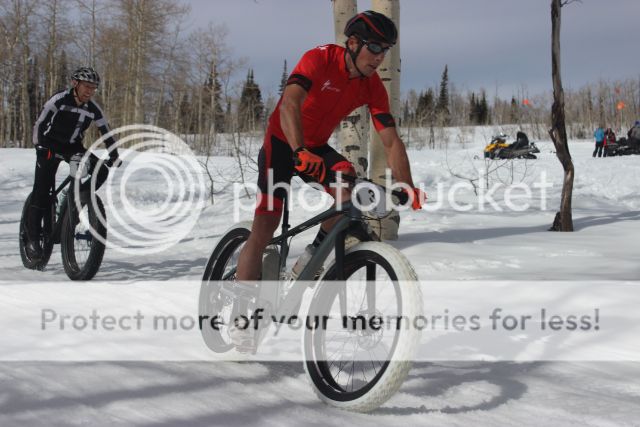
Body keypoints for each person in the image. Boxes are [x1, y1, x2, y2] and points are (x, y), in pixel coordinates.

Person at [26, 66, 120, 260]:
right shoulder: (59, 100)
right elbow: (40, 124)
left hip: (72, 147)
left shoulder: (93, 108)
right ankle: (32, 239)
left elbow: (106, 131)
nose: (90, 91)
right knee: (42, 191)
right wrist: (40, 146)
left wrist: (114, 154)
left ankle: (75, 204)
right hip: (49, 146)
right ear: (75, 84)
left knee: (101, 170)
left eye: (93, 88)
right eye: (86, 86)